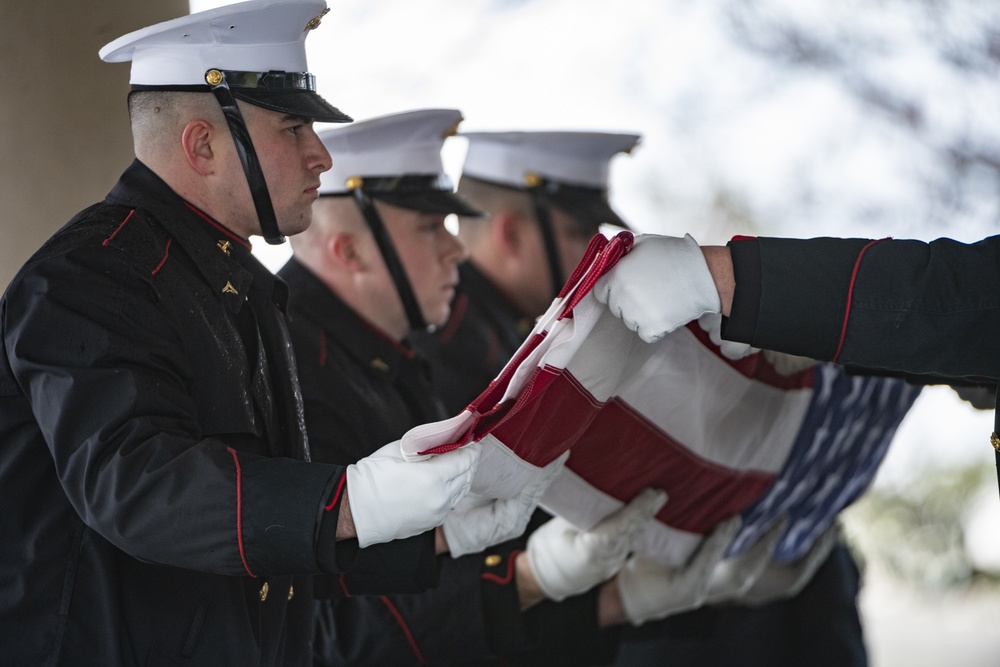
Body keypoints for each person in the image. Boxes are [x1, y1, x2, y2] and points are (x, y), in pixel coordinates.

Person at [0, 4, 538, 665]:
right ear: (203, 145)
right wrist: (353, 499)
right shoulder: (91, 274)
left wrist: (435, 531)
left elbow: (279, 556)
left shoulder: (240, 285)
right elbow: (139, 484)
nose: (321, 154)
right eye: (293, 126)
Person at [414, 131, 875, 666]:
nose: (602, 249)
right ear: (513, 235)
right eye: (578, 231)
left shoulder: (538, 333)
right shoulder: (452, 356)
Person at [280, 108, 663, 665]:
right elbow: (338, 629)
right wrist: (534, 580)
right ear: (350, 251)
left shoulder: (383, 355)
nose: (457, 247)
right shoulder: (297, 367)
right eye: (431, 227)